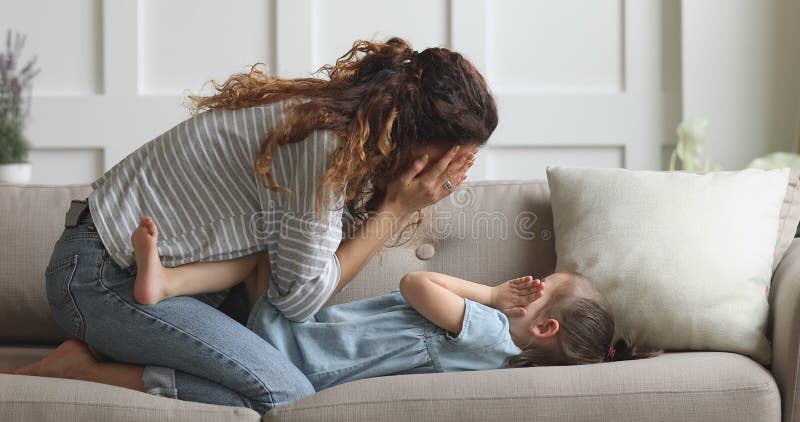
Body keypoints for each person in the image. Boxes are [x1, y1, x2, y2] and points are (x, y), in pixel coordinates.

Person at [0, 37, 497, 415]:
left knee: (274, 382)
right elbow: (298, 298)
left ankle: (97, 365)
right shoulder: (321, 143)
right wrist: (396, 210)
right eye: (447, 155)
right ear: (403, 131)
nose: (448, 169)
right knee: (288, 394)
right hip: (100, 276)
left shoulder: (338, 131)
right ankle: (84, 371)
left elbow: (295, 267)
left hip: (168, 286)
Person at [128, 216, 662, 390]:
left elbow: (415, 283)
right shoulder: (492, 357)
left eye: (534, 287)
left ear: (542, 328)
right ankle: (126, 336)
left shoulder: (491, 334)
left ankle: (169, 283)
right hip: (308, 355)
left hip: (301, 346)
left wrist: (490, 295)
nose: (517, 286)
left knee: (263, 255)